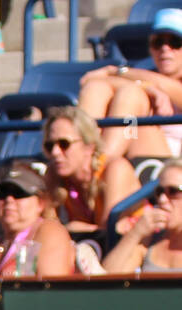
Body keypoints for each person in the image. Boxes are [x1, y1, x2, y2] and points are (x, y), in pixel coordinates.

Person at [78, 8, 182, 164]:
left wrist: (115, 71)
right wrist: (149, 88)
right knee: (97, 89)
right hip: (130, 144)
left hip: (171, 164)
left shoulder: (139, 77)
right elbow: (88, 81)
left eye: (175, 42)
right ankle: (80, 158)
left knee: (131, 95)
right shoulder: (143, 78)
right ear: (150, 47)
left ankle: (98, 165)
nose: (165, 49)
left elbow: (166, 85)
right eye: (158, 42)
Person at [0, 164, 75, 279]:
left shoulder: (49, 232)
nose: (9, 200)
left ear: (41, 202)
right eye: (3, 194)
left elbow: (51, 291)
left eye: (19, 193)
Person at [42, 106, 139, 233]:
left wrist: (72, 230)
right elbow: (47, 231)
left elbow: (110, 232)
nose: (55, 152)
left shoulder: (115, 169)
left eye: (64, 144)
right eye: (49, 146)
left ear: (89, 146)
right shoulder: (54, 175)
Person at [101, 160, 182, 273]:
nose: (162, 200)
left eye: (173, 191)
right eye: (159, 192)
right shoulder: (150, 239)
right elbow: (106, 278)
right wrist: (136, 233)